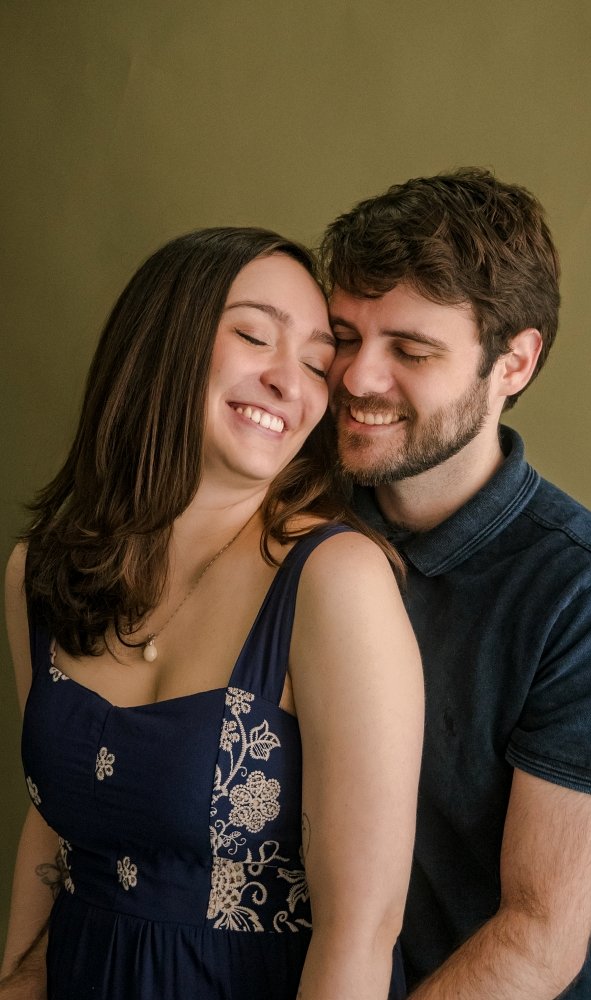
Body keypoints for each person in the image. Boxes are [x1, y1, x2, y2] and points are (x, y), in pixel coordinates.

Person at [1, 227, 424, 1000]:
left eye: (315, 363)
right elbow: (52, 823)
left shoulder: (335, 580)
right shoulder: (38, 570)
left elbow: (361, 932)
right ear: (163, 343)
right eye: (255, 336)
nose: (289, 382)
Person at [320, 168, 591, 999]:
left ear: (513, 363)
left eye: (411, 351)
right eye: (343, 336)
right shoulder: (301, 522)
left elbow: (540, 938)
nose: (358, 379)